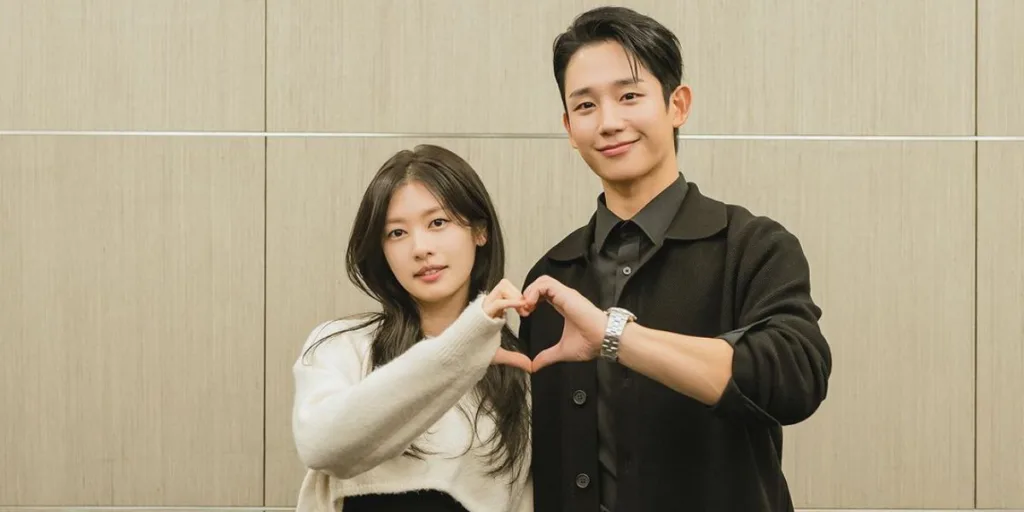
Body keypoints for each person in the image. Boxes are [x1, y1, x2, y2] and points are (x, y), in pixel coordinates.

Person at [516, 6, 833, 512]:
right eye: (585, 106)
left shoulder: (752, 246)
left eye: (629, 96)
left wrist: (614, 337)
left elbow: (796, 381)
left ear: (677, 104)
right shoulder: (552, 274)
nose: (609, 122)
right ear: (569, 127)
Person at [290, 144, 534, 512]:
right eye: (397, 233)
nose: (420, 248)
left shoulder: (517, 368)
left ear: (479, 230)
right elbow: (322, 446)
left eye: (438, 223)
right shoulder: (344, 345)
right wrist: (460, 349)